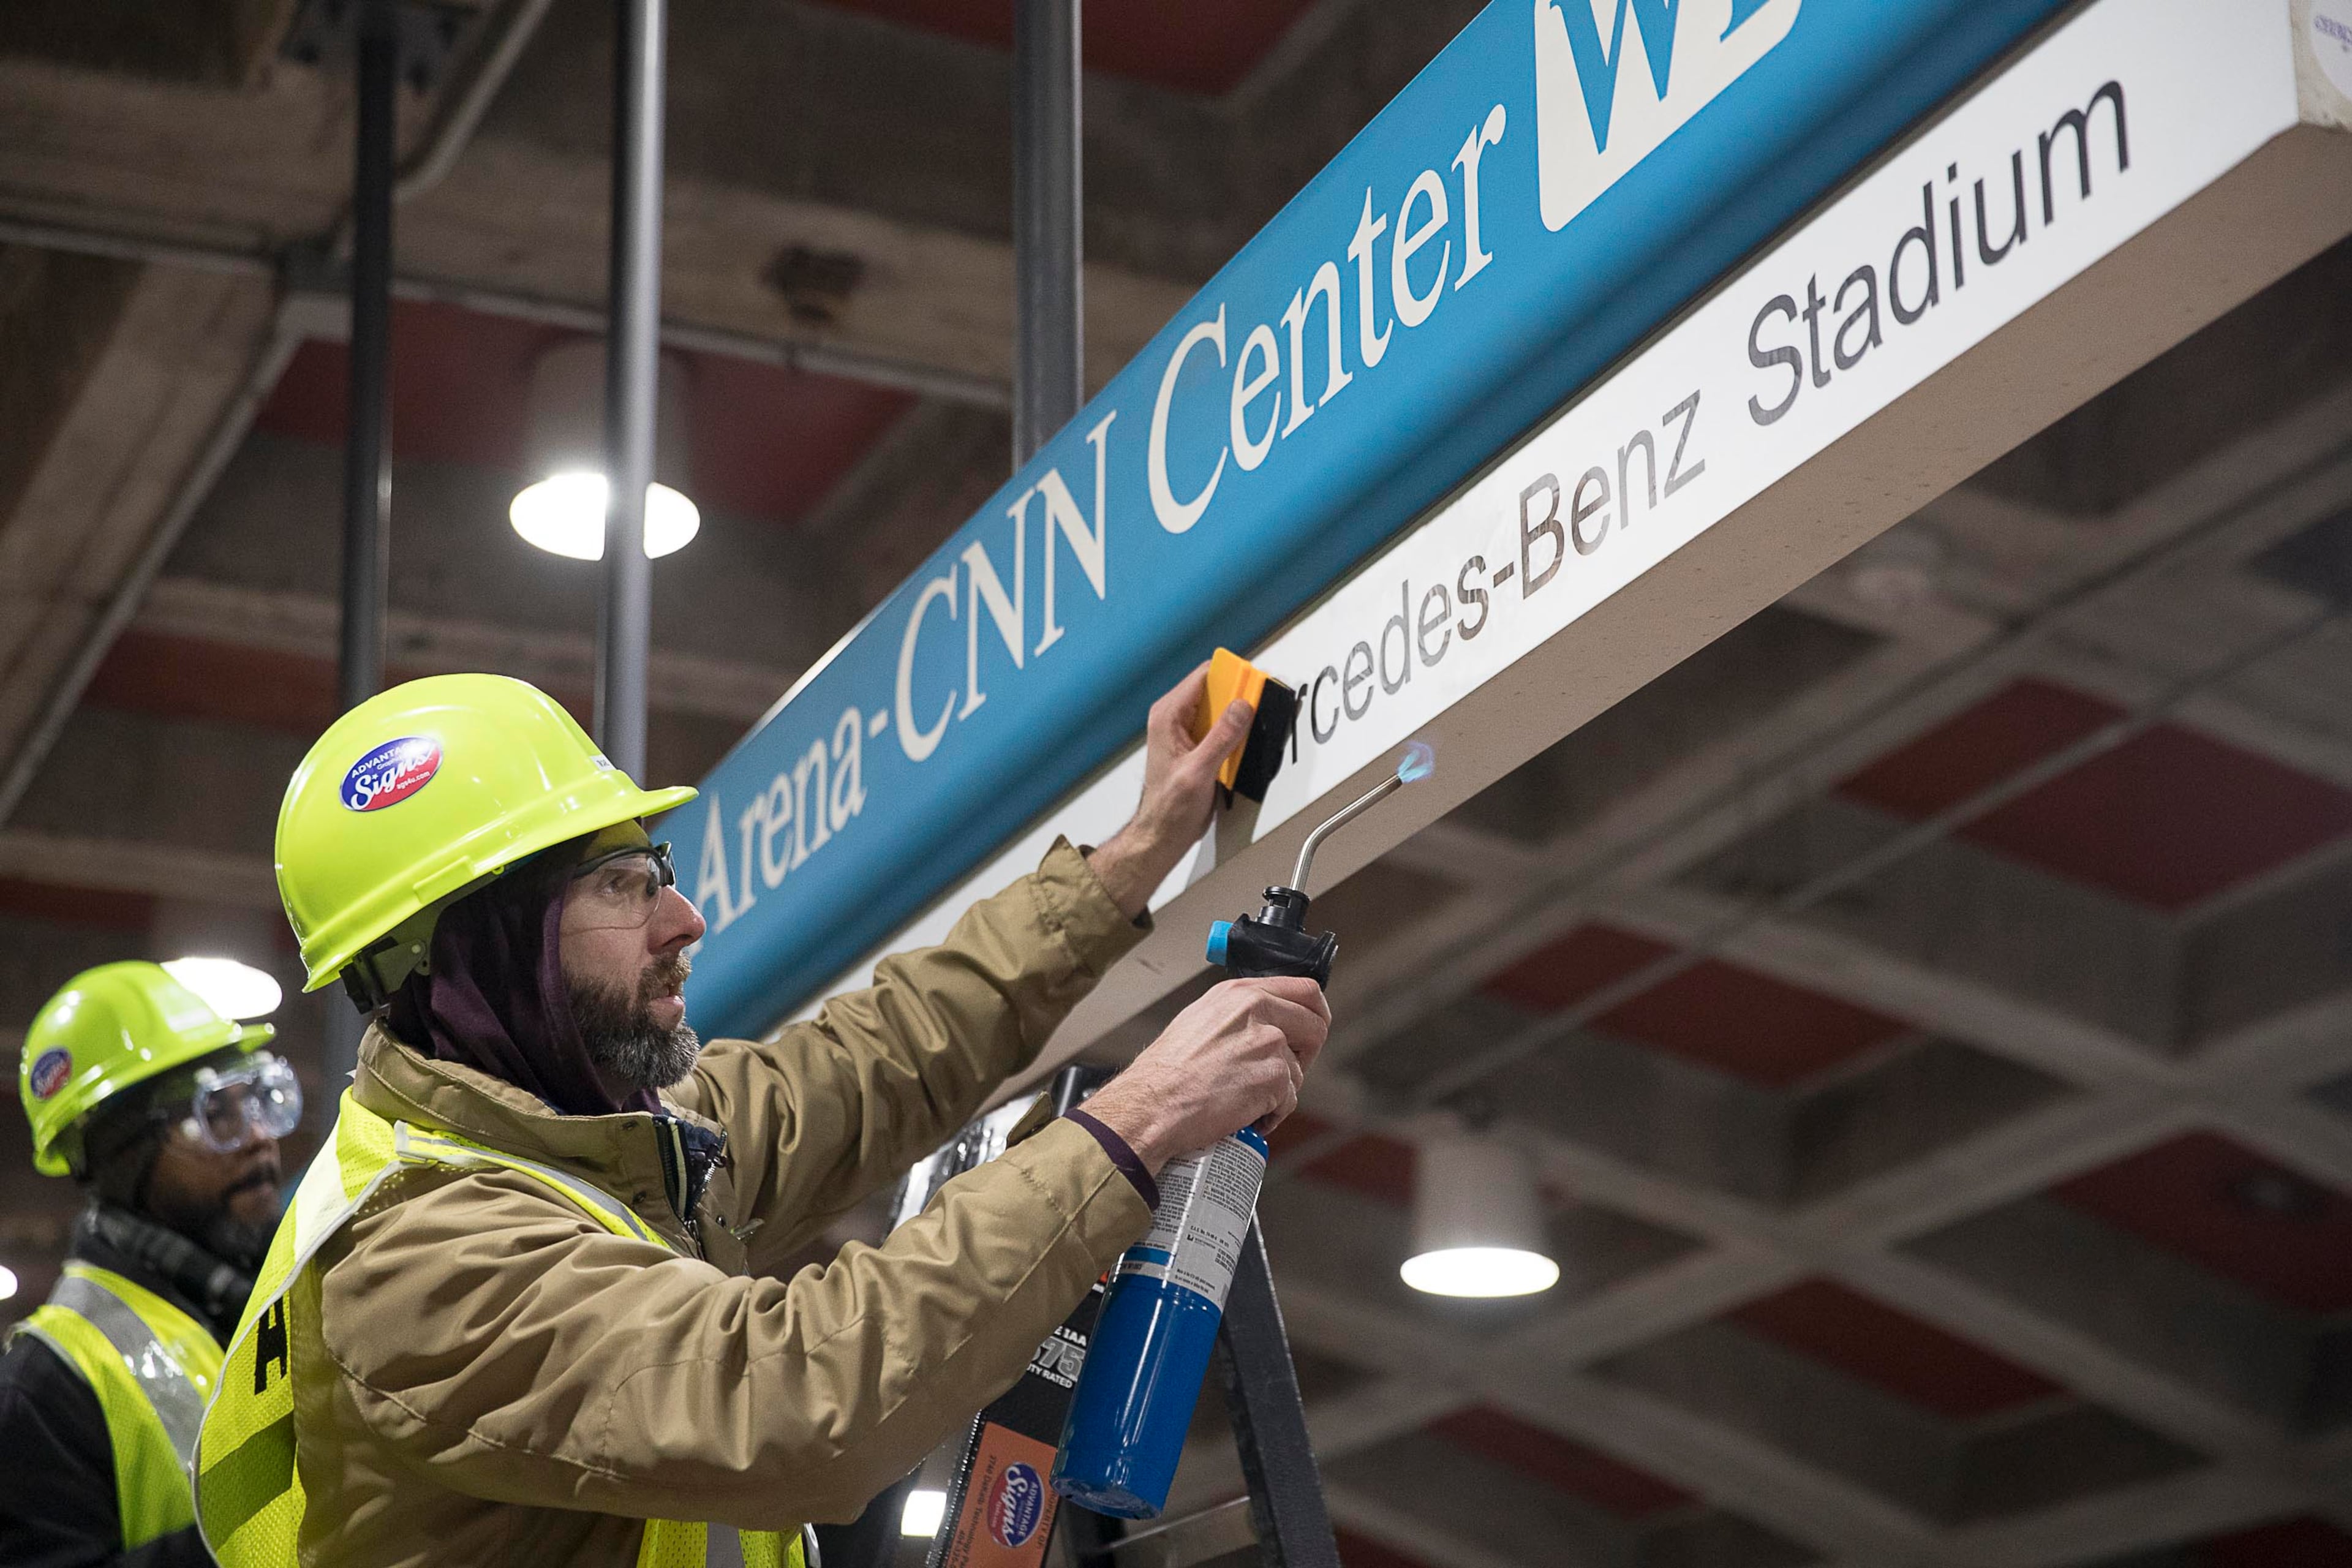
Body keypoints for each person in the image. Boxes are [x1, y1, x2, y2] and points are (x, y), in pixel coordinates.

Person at [194, 669, 1328, 1568]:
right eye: (621, 884)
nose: (685, 918)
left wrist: (1126, 864)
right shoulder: (421, 1261)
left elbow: (871, 1062)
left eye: (660, 871)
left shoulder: (593, 1145)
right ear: (486, 947)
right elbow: (792, 1401)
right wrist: (1142, 1116)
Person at [4, 960, 300, 1566]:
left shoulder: (281, 1296)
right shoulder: (46, 1383)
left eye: (260, 1099)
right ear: (119, 1153)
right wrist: (290, 1509)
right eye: (216, 1113)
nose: (258, 1137)